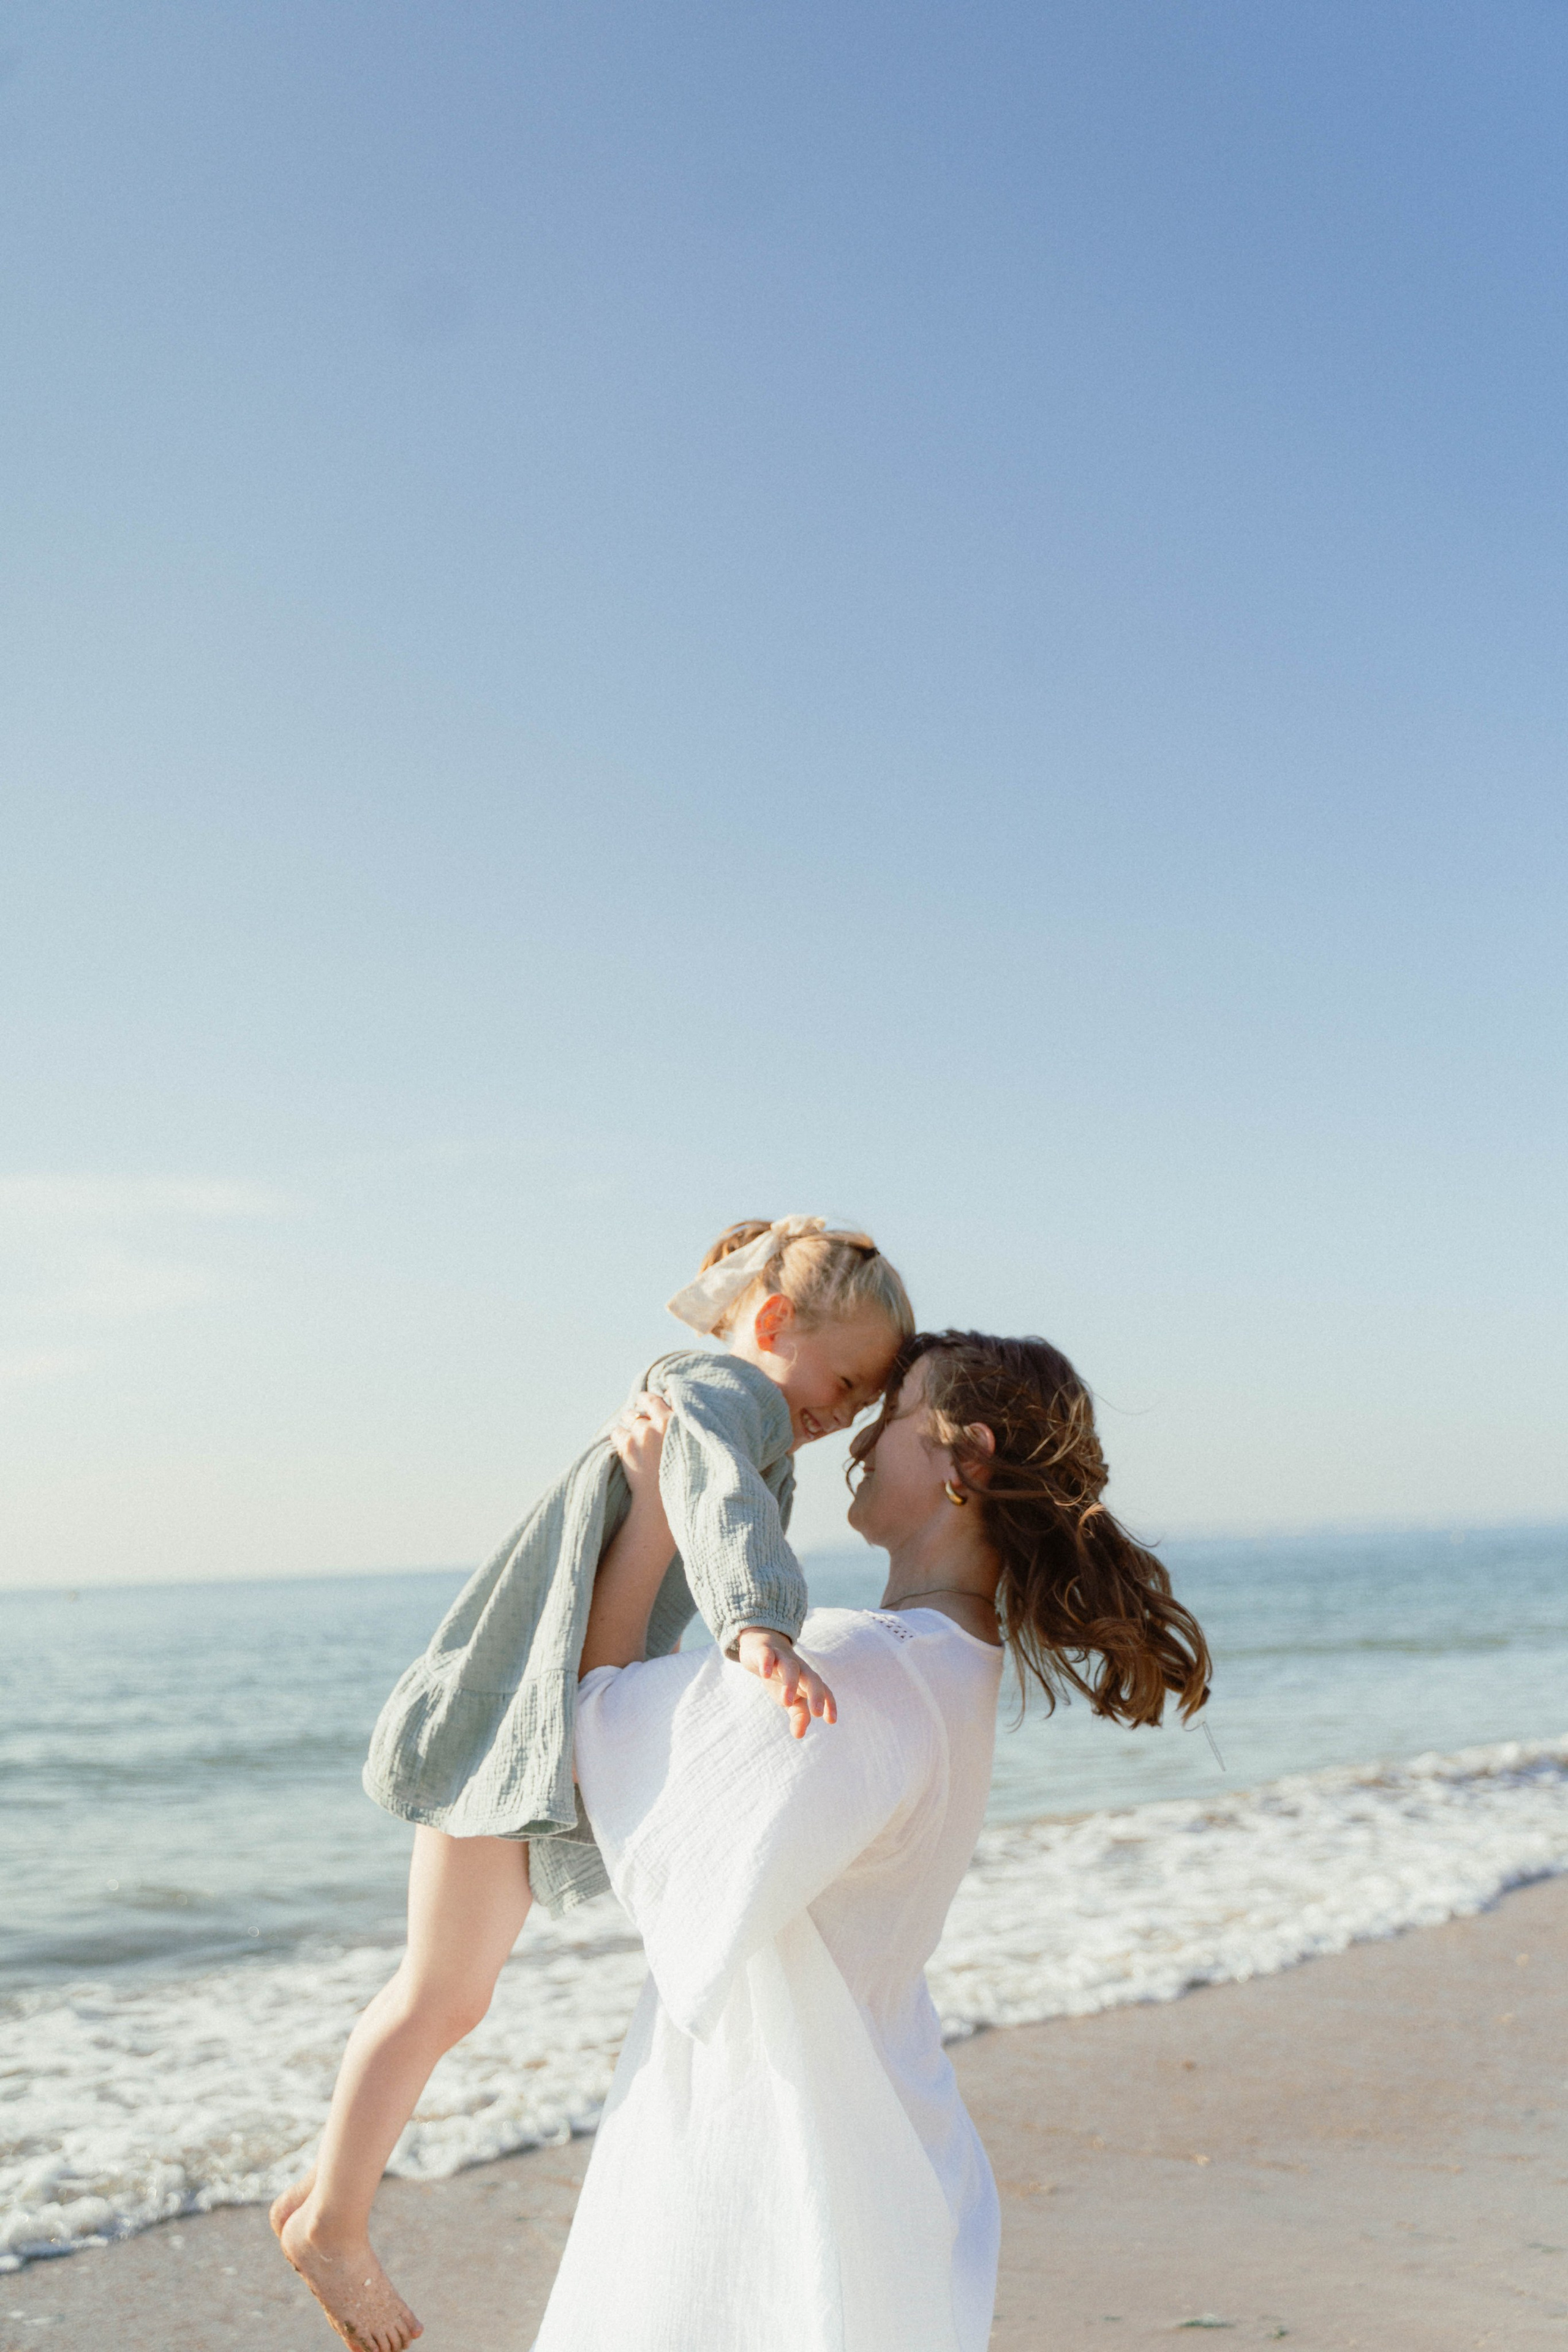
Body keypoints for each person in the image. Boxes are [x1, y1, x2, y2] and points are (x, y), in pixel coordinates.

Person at [271, 1216, 915, 2352]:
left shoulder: (729, 1415)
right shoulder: (720, 1394)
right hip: (510, 1716)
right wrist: (759, 1624)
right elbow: (721, 1505)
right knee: (440, 1994)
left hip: (534, 1712)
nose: (850, 1411)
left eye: (870, 1397)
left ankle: (329, 2194)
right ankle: (333, 2223)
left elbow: (673, 1553)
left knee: (448, 1994)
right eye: (848, 1380)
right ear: (773, 1323)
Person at [533, 1327, 1212, 2352]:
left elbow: (594, 1729)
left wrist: (653, 1511)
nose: (858, 1438)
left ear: (965, 1457)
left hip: (788, 2173)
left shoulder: (867, 1666)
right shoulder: (953, 1664)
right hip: (881, 2151)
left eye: (894, 1413)